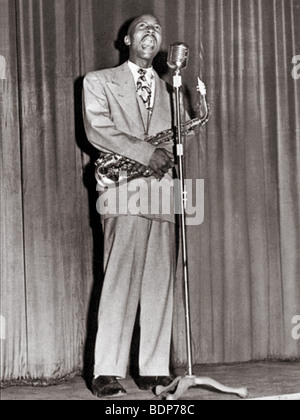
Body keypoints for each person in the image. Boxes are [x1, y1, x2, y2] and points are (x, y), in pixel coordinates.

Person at [83, 13, 192, 398]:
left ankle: (154, 369)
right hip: (121, 186)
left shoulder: (171, 90)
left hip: (161, 191)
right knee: (119, 279)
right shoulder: (98, 81)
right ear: (126, 40)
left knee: (160, 281)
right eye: (142, 27)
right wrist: (147, 153)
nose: (152, 32)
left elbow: (178, 139)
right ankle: (107, 371)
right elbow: (98, 129)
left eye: (157, 29)